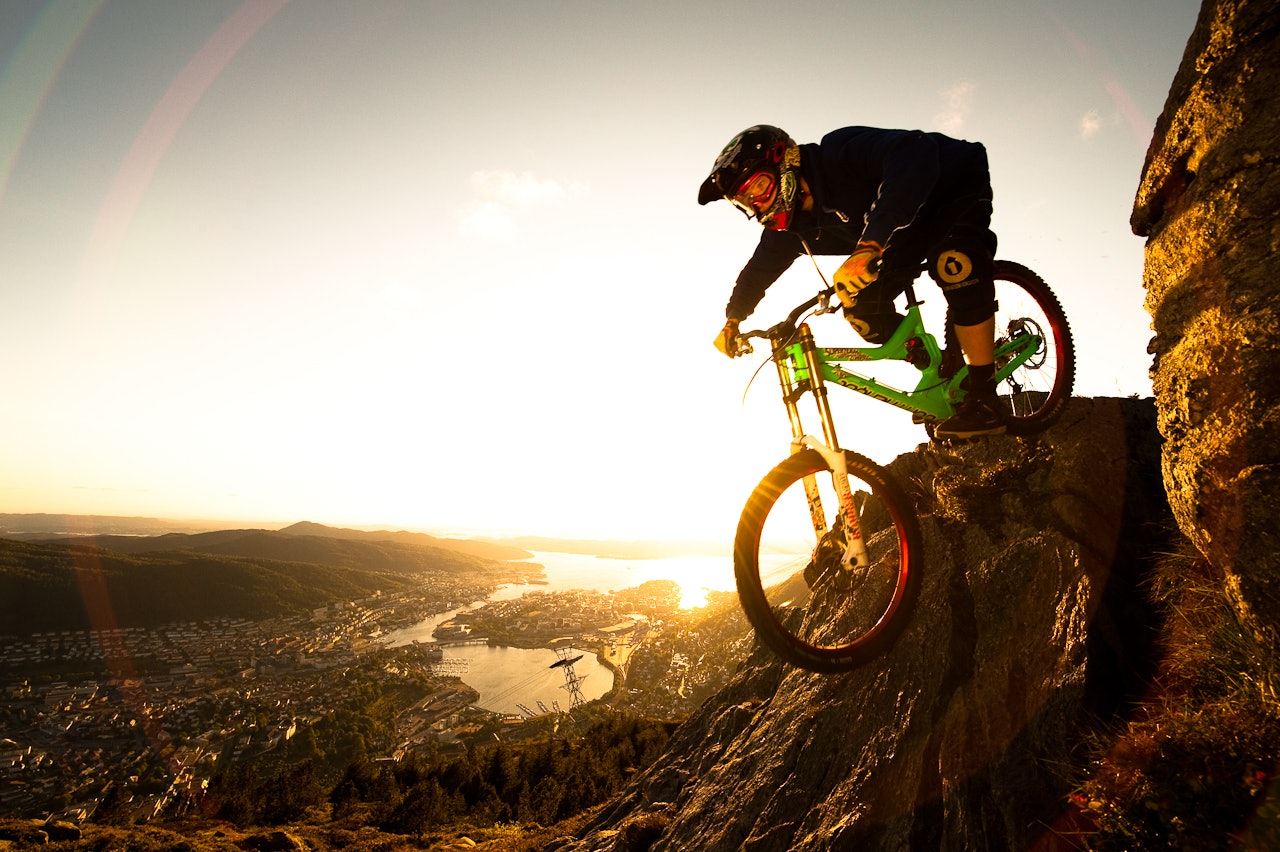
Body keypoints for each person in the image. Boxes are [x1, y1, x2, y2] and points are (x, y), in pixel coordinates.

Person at [699, 124, 1005, 439]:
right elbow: (758, 271)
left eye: (759, 187)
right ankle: (945, 367)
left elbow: (916, 150)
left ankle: (985, 400)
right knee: (861, 312)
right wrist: (733, 319)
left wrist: (870, 243)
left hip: (948, 185)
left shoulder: (837, 153)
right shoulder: (791, 229)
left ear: (784, 159)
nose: (758, 204)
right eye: (746, 202)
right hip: (900, 232)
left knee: (955, 265)